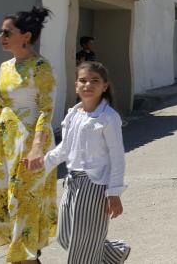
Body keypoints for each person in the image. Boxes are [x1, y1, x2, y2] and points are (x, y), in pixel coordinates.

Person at [0, 7, 57, 263]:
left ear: (25, 36)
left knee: (23, 203)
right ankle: (23, 256)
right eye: (1, 31)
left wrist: (37, 147)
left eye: (6, 32)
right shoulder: (5, 67)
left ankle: (26, 257)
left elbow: (46, 109)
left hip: (30, 140)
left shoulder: (41, 66)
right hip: (4, 140)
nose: (0, 36)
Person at [44, 61, 131, 264]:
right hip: (72, 182)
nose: (88, 85)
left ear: (104, 86)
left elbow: (117, 157)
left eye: (95, 81)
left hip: (94, 185)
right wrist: (42, 164)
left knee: (83, 247)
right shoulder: (73, 115)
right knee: (65, 237)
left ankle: (107, 256)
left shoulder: (109, 117)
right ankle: (116, 254)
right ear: (76, 85)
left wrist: (114, 193)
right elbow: (65, 149)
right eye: (83, 80)